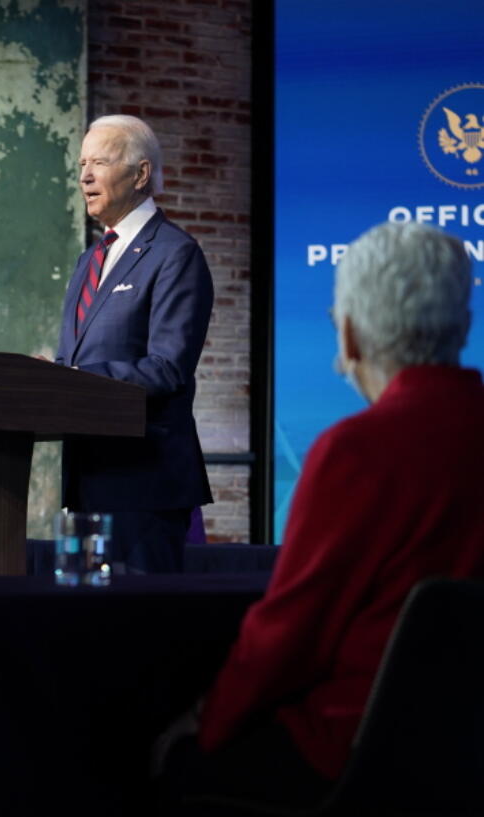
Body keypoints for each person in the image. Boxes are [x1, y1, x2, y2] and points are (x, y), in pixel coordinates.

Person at [157, 222, 484, 809]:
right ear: (461, 324)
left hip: (360, 755)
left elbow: (289, 634)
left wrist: (206, 726)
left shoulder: (358, 451)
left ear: (351, 336)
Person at [55, 114, 214, 572]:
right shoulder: (89, 260)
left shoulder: (176, 254)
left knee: (139, 629)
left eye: (99, 162)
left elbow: (167, 368)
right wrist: (50, 378)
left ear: (140, 174)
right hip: (87, 482)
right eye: (82, 163)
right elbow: (73, 361)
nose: (84, 175)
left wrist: (73, 379)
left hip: (144, 484)